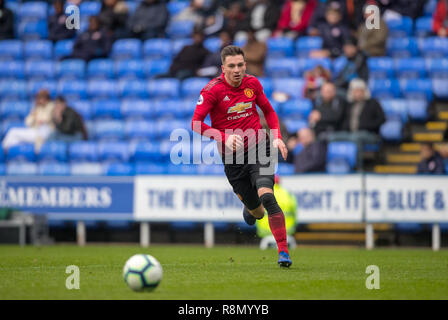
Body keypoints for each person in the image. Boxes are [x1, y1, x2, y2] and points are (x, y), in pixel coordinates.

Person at [191, 45, 292, 267]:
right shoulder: (212, 91)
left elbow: (269, 111)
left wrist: (276, 136)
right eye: (231, 66)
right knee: (257, 213)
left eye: (240, 65)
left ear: (245, 65)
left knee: (267, 195)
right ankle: (250, 208)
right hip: (232, 159)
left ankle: (283, 252)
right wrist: (222, 137)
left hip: (260, 147)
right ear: (223, 68)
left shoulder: (252, 83)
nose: (237, 70)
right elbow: (196, 123)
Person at [329, 78, 385, 167]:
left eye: (360, 91)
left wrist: (366, 126)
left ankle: (358, 167)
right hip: (350, 133)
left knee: (356, 138)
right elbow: (341, 120)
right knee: (332, 137)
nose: (358, 93)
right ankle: (335, 165)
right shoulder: (348, 105)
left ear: (365, 91)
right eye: (355, 91)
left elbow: (382, 119)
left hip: (369, 134)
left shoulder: (373, 103)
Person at [256, 175, 297, 250]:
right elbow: (295, 213)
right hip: (287, 234)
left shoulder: (261, 193)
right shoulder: (287, 194)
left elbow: (256, 213)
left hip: (266, 234)